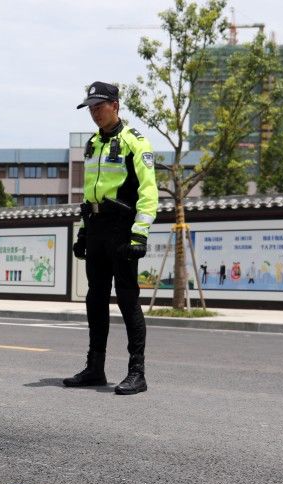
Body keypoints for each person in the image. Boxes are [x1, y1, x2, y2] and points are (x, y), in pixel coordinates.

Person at [64, 82, 158, 395]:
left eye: (99, 106)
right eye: (90, 107)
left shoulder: (136, 142)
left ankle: (137, 372)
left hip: (122, 228)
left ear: (115, 105)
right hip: (97, 228)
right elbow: (89, 192)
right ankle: (95, 367)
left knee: (128, 299)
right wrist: (83, 231)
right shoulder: (92, 144)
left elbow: (149, 191)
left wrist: (140, 234)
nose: (94, 113)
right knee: (95, 299)